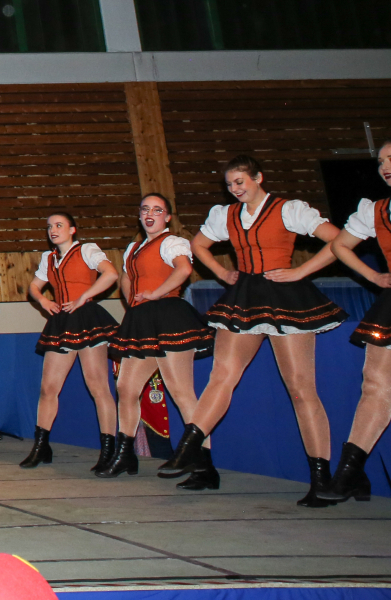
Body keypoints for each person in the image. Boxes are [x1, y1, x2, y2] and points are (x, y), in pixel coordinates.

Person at [158, 155, 343, 502]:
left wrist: (300, 271)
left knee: (300, 388)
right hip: (245, 296)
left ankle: (322, 479)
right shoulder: (226, 215)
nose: (235, 189)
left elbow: (339, 241)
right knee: (221, 375)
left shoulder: (288, 210)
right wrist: (221, 272)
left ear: (259, 178)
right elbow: (198, 245)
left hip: (285, 296)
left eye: (240, 182)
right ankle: (189, 449)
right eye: (230, 184)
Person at [105, 193, 210, 483]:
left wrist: (156, 293)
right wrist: (133, 303)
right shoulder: (134, 248)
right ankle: (125, 454)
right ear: (140, 215)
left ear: (167, 217)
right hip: (142, 321)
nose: (150, 214)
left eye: (157, 210)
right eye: (145, 209)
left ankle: (204, 464)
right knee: (126, 387)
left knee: (181, 391)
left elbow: (184, 269)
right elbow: (126, 276)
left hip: (169, 317)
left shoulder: (172, 242)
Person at [317, 138, 391, 502]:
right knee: (375, 383)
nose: (385, 167)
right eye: (380, 161)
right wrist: (374, 276)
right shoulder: (376, 211)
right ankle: (349, 472)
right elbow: (339, 245)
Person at [20, 211, 120, 473]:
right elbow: (34, 286)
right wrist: (43, 300)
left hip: (87, 319)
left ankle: (108, 449)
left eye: (59, 225)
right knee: (48, 388)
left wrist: (84, 297)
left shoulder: (86, 250)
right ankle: (41, 446)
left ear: (72, 230)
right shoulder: (49, 258)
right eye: (50, 226)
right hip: (62, 323)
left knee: (98, 386)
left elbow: (110, 274)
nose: (53, 230)